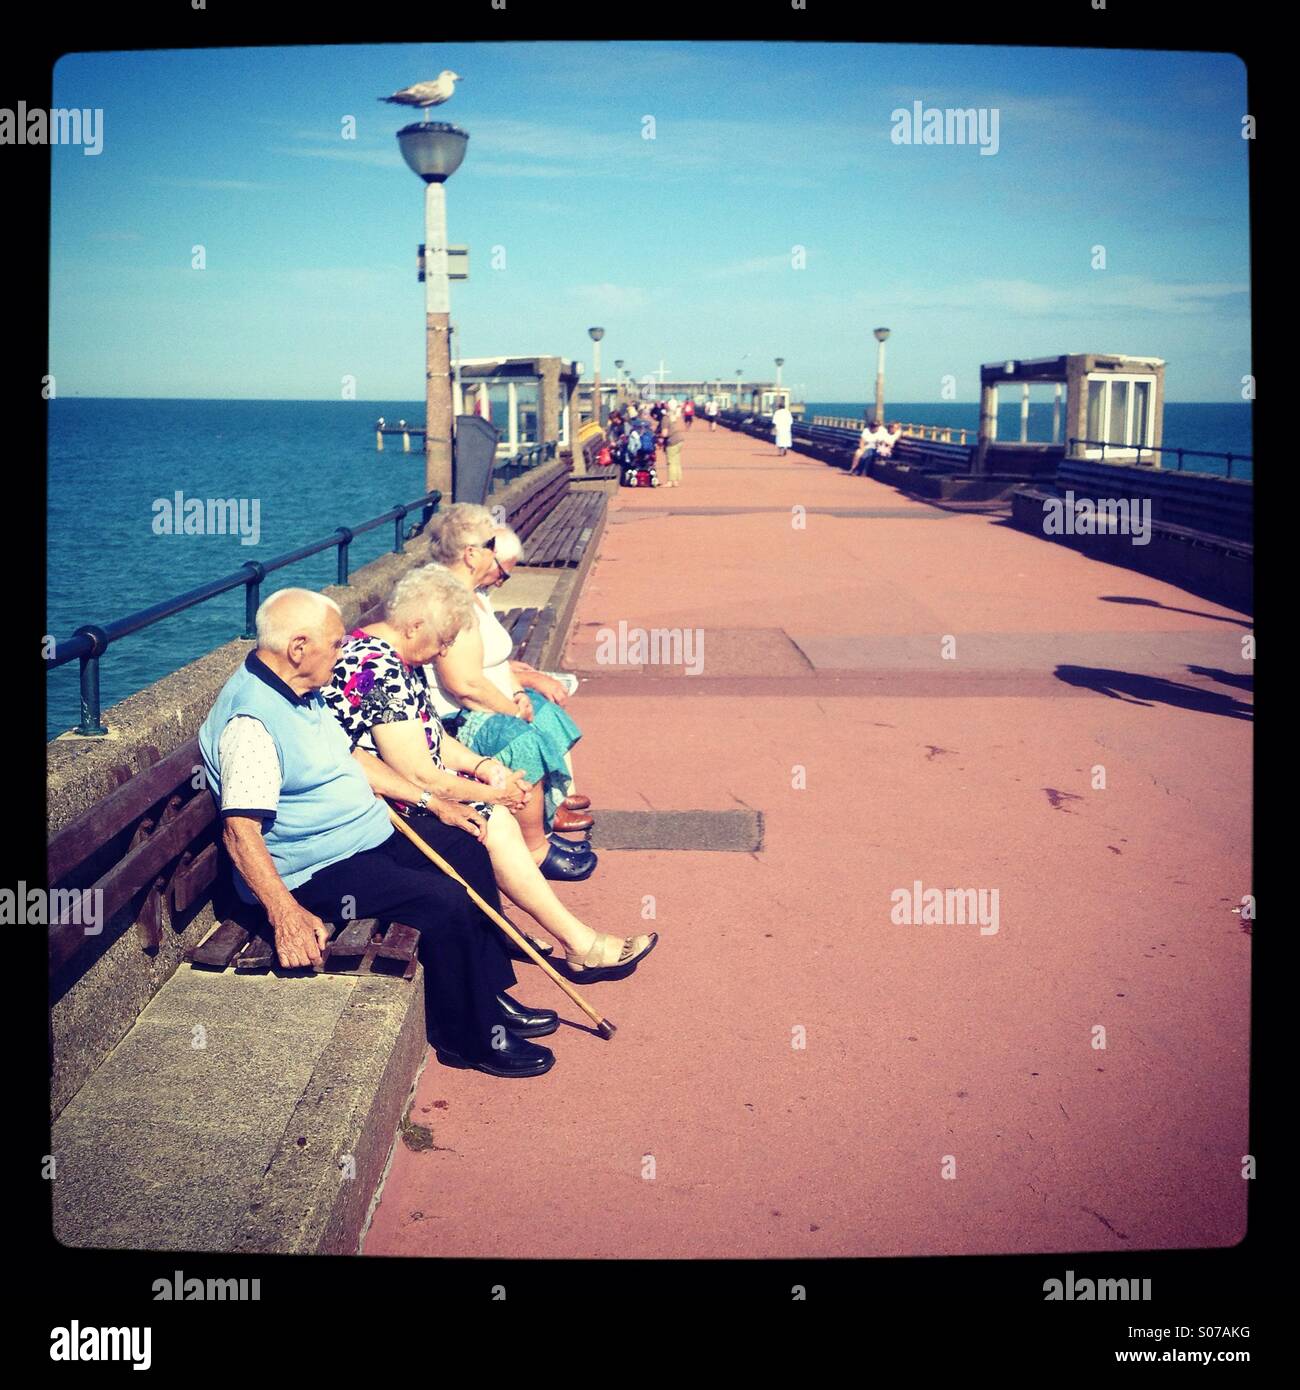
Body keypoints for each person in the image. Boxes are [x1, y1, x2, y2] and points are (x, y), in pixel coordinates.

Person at [197, 587, 557, 1078]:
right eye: (336, 643)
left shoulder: (301, 689)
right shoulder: (252, 722)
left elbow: (350, 756)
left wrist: (435, 804)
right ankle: (467, 1038)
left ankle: (488, 998)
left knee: (468, 848)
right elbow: (240, 832)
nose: (342, 652)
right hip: (315, 867)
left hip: (364, 835)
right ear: (298, 648)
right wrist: (286, 914)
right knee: (444, 899)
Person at [320, 566, 657, 980]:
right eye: (443, 641)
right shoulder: (376, 668)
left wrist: (483, 767)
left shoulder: (390, 652)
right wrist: (496, 795)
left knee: (492, 810)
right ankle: (579, 945)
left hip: (404, 790)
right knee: (491, 820)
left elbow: (431, 736)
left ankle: (526, 931)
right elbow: (420, 775)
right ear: (415, 625)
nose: (444, 652)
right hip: (379, 804)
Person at [421, 505, 595, 874]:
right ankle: (534, 850)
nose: (493, 553)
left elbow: (491, 664)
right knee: (520, 739)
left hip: (483, 702)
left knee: (545, 714)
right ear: (471, 554)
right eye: (489, 546)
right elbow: (464, 685)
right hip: (453, 719)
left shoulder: (470, 593)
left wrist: (517, 691)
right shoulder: (446, 601)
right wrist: (511, 708)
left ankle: (546, 817)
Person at [659, 398, 687, 487]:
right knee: (676, 461)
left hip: (672, 441)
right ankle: (676, 481)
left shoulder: (665, 418)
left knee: (671, 462)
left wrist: (657, 436)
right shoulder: (673, 416)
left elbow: (664, 434)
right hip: (679, 440)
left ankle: (670, 481)